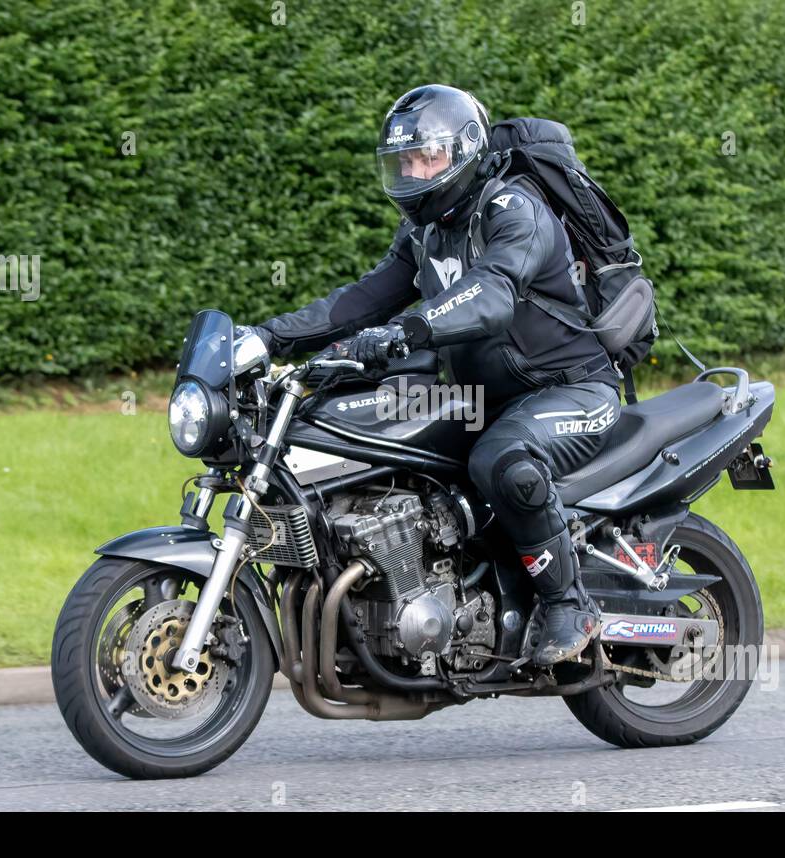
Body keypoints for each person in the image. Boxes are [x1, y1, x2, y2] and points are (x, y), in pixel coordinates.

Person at [251, 84, 619, 666]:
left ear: (464, 150)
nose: (415, 171)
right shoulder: (424, 232)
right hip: (481, 398)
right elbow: (360, 301)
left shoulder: (514, 208)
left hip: (570, 388)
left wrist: (412, 329)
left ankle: (569, 604)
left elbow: (492, 294)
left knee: (502, 461)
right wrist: (264, 338)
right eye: (405, 161)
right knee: (391, 453)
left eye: (428, 157)